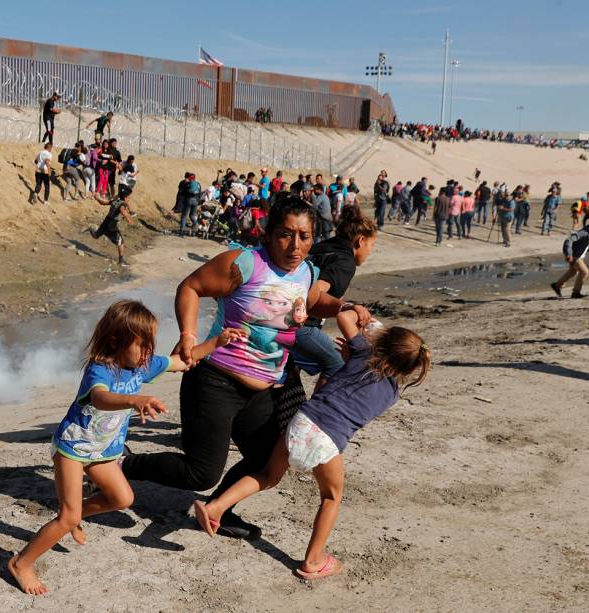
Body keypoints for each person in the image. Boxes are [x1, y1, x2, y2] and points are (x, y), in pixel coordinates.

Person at [121, 199, 371, 540]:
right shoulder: (245, 263)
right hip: (214, 380)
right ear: (269, 234)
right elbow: (191, 287)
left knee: (268, 460)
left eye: (304, 236)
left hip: (265, 387)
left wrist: (344, 305)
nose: (295, 245)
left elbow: (311, 302)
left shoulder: (306, 271)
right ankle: (122, 465)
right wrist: (188, 335)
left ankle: (219, 510)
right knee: (200, 473)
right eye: (285, 234)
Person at [7, 299, 246, 596]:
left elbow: (183, 361)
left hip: (103, 451)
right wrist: (135, 400)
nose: (148, 354)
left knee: (122, 498)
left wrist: (218, 341)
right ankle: (22, 562)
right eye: (142, 345)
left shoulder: (142, 366)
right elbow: (100, 398)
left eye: (151, 345)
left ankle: (75, 516)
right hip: (73, 448)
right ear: (115, 341)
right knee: (67, 516)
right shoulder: (101, 370)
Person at [194, 311, 430, 581]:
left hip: (302, 421)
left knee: (268, 476)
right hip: (328, 439)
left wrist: (365, 317)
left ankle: (216, 508)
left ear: (382, 342)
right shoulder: (391, 394)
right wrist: (359, 351)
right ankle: (313, 561)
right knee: (331, 497)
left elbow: (344, 317)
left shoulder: (362, 351)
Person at [291, 207, 377, 384]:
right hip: (300, 324)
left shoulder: (322, 247)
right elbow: (315, 291)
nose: (369, 252)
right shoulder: (345, 263)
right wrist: (346, 307)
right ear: (361, 241)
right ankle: (318, 411)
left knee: (291, 372)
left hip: (280, 314)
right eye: (371, 246)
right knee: (338, 363)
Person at [550, 212, 589, 299]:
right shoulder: (584, 232)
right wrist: (568, 254)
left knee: (573, 271)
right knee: (585, 272)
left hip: (581, 255)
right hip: (574, 254)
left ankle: (557, 285)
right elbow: (568, 240)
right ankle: (576, 292)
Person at [88, 184, 135, 267]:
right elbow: (123, 211)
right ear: (125, 198)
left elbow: (103, 202)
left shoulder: (115, 200)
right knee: (120, 241)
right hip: (111, 226)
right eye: (128, 197)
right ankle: (121, 261)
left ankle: (91, 229)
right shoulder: (123, 204)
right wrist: (129, 220)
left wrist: (96, 197)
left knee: (95, 236)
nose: (129, 199)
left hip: (106, 222)